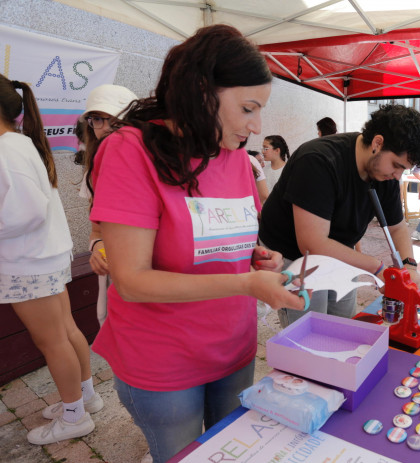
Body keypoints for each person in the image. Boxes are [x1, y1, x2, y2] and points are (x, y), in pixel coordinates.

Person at [89, 25, 307, 463]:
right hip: (163, 360)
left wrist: (259, 258)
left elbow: (230, 241)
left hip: (233, 345)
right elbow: (131, 281)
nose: (256, 125)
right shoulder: (129, 152)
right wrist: (246, 285)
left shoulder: (234, 157)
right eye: (248, 108)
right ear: (202, 91)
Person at [259, 104, 420, 327]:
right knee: (311, 330)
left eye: (404, 169)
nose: (398, 175)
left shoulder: (386, 173)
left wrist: (409, 267)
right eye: (397, 166)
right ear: (377, 143)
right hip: (295, 254)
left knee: (344, 323)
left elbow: (397, 227)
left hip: (339, 248)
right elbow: (312, 244)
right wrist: (378, 268)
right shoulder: (318, 160)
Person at [0, 76, 102, 444]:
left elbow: (26, 212)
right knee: (65, 331)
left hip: (28, 261)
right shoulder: (18, 143)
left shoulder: (6, 149)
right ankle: (84, 398)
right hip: (42, 256)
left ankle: (74, 415)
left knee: (53, 340)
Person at [79, 84, 138, 327]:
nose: (103, 129)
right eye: (97, 120)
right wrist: (98, 247)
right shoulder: (93, 172)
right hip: (118, 279)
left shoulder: (155, 166)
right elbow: (97, 229)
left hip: (155, 278)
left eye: (114, 121)